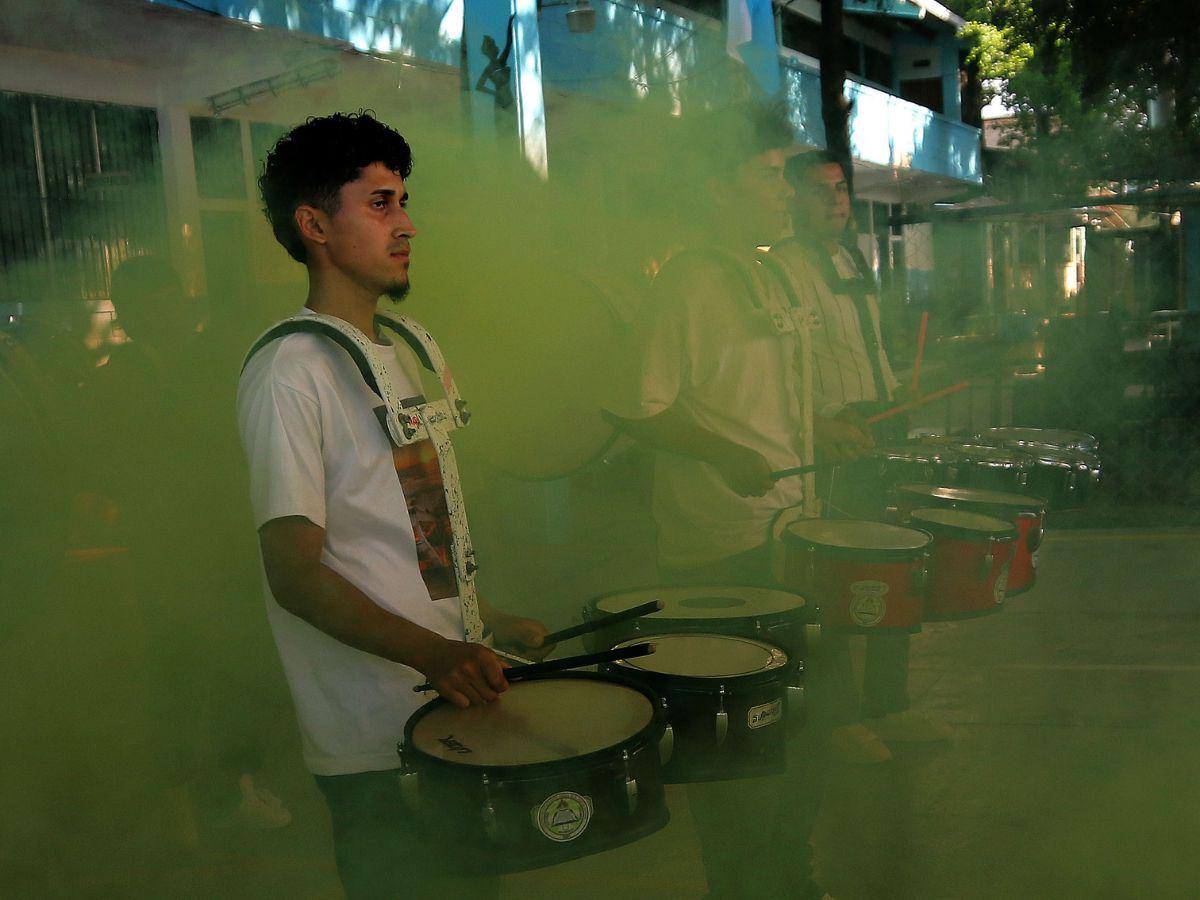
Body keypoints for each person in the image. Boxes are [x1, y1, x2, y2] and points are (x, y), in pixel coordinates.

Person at [237, 112, 550, 899]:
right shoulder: (290, 371)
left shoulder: (405, 348)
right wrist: (434, 654)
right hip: (375, 742)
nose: (406, 223)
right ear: (314, 225)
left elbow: (418, 531)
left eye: (403, 200)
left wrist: (479, 622)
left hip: (451, 716)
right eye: (379, 204)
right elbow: (294, 575)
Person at [603, 104, 829, 900]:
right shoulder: (692, 282)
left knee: (792, 736)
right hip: (718, 555)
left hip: (788, 537)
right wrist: (723, 453)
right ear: (715, 186)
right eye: (767, 175)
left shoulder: (772, 270)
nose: (784, 189)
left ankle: (791, 883)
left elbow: (764, 400)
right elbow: (635, 405)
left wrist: (829, 427)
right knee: (737, 751)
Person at [774, 150, 952, 759]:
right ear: (792, 201)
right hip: (834, 442)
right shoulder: (785, 269)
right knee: (839, 583)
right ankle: (837, 717)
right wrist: (819, 424)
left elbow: (863, 347)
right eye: (819, 192)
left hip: (879, 428)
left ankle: (889, 704)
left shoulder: (853, 258)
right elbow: (787, 367)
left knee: (895, 568)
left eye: (840, 189)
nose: (835, 200)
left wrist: (897, 386)